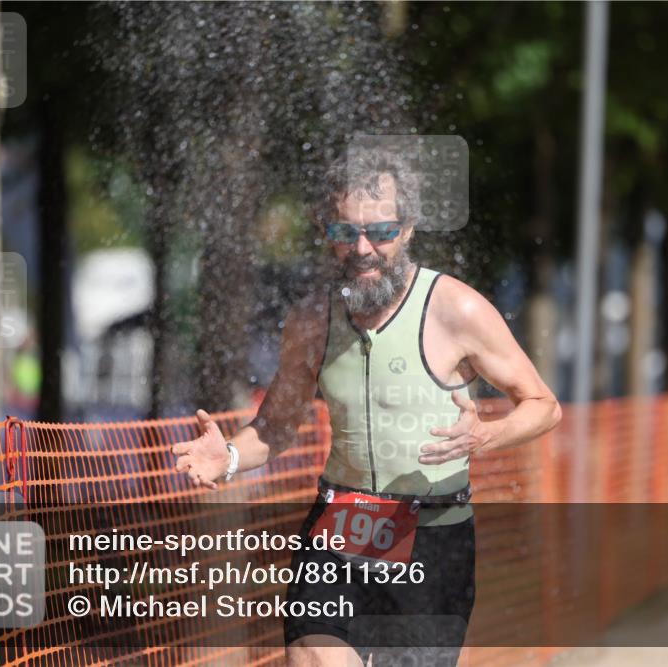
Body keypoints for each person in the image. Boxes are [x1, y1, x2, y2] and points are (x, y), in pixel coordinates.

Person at [172, 147, 561, 666]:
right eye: (344, 233)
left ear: (409, 229)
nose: (363, 249)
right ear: (325, 232)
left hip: (432, 533)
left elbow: (543, 405)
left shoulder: (456, 310)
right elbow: (276, 425)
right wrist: (232, 458)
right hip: (343, 523)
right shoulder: (311, 321)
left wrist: (487, 436)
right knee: (313, 656)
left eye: (381, 232)